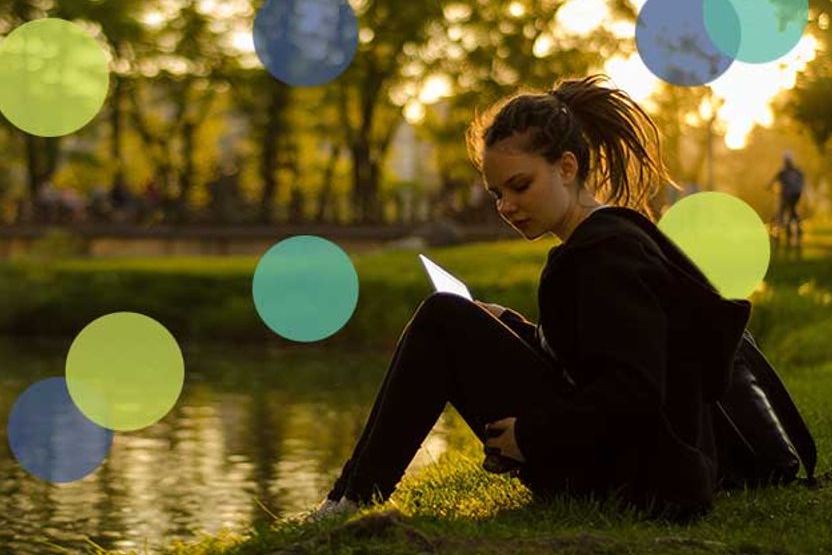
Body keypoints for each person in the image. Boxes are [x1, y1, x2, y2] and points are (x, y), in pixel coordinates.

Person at [310, 74, 752, 524]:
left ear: (566, 167)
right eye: (498, 193)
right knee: (452, 318)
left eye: (520, 186)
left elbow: (636, 389)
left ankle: (351, 498)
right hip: (626, 465)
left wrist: (533, 435)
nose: (506, 206)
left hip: (640, 482)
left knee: (442, 318)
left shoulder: (606, 254)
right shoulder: (605, 240)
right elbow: (595, 357)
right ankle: (350, 493)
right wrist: (514, 327)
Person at [768, 151, 804, 243]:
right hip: (796, 194)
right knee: (792, 210)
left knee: (782, 210)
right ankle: (797, 227)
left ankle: (781, 230)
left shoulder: (783, 172)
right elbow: (802, 180)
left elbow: (772, 181)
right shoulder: (796, 171)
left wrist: (768, 187)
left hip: (787, 194)